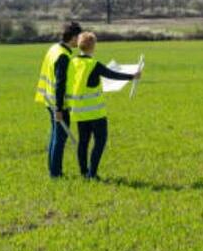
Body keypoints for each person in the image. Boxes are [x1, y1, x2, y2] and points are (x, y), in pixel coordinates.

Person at [66, 32, 140, 180]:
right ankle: (92, 173)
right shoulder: (93, 64)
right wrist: (132, 76)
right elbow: (111, 74)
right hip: (95, 112)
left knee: (83, 142)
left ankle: (83, 172)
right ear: (92, 46)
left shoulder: (72, 62)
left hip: (78, 111)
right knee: (100, 141)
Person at [36, 21, 82, 178]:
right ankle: (55, 173)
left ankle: (52, 170)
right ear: (74, 37)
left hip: (49, 100)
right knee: (60, 139)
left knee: (55, 136)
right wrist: (59, 109)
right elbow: (60, 84)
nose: (80, 42)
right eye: (79, 38)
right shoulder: (63, 56)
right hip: (58, 104)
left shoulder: (54, 49)